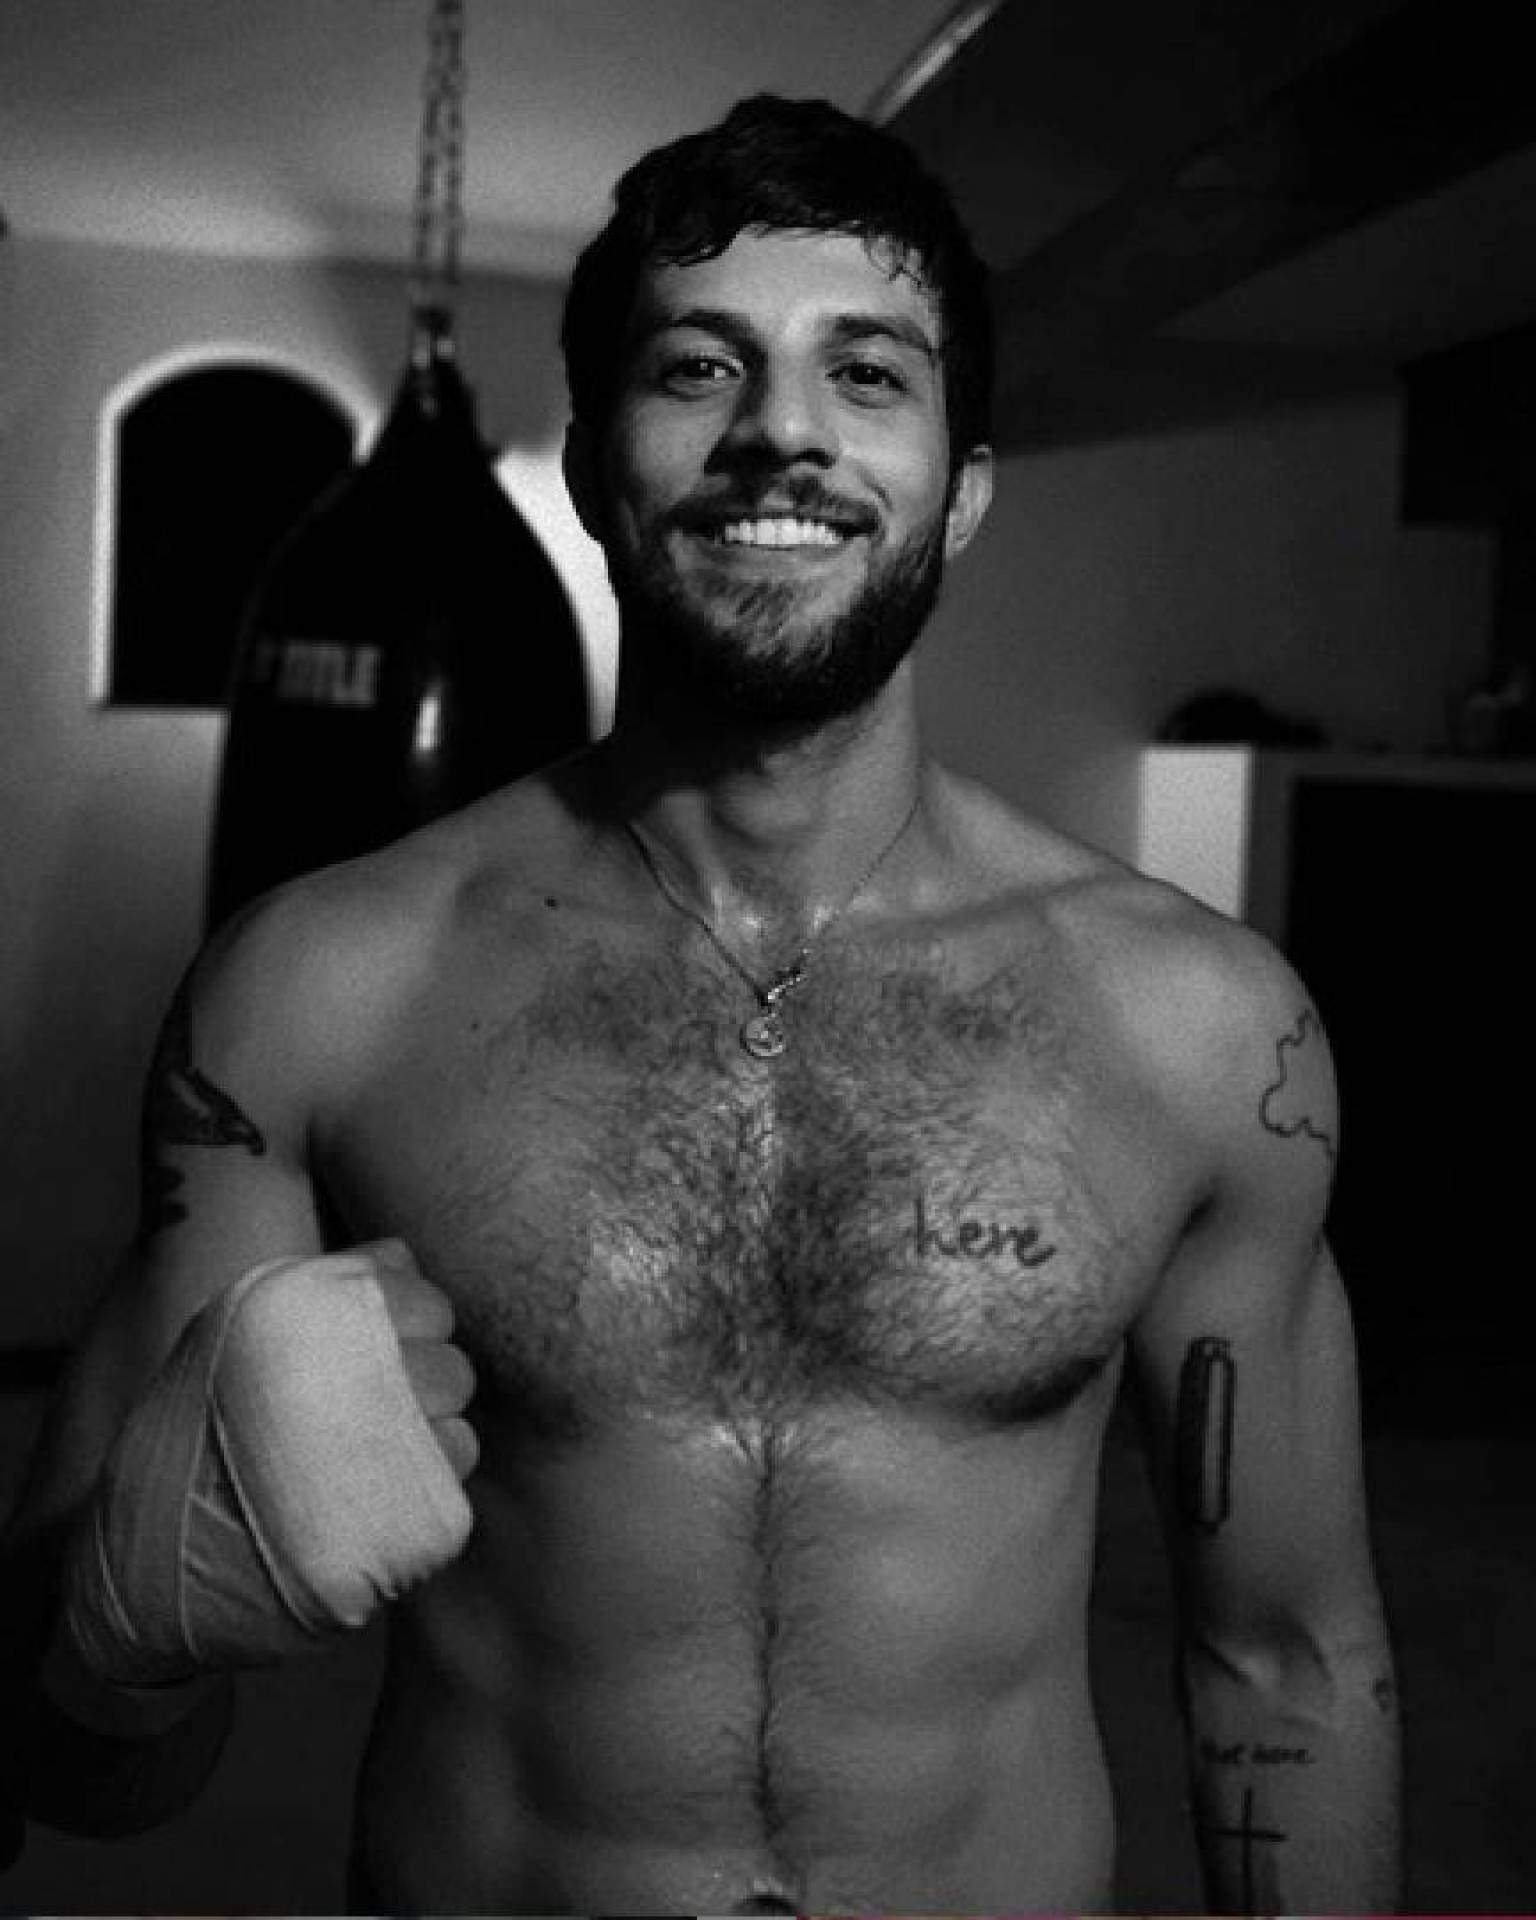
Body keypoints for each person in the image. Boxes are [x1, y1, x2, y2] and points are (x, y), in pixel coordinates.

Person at [0, 94, 1399, 1914]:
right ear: (596, 467)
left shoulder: (1201, 1030)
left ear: (966, 490)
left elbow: (1285, 1666)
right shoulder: (322, 992)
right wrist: (123, 1640)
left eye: (867, 375)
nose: (783, 432)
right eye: (700, 366)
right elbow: (81, 1778)